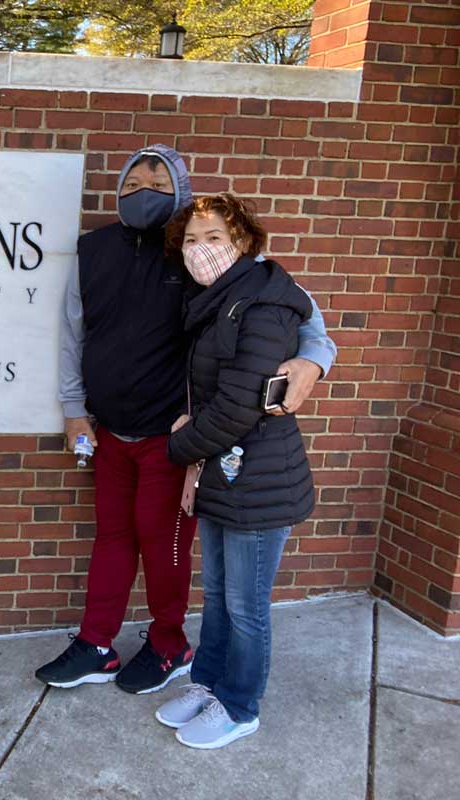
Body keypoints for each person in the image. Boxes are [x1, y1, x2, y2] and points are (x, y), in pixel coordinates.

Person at [36, 145, 336, 695]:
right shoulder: (93, 250)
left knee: (165, 543)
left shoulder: (195, 257)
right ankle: (96, 643)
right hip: (109, 432)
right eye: (130, 184)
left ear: (180, 189)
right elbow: (71, 333)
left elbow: (294, 305)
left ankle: (169, 643)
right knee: (112, 538)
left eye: (156, 180)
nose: (141, 191)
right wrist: (75, 409)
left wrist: (316, 358)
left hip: (173, 437)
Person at [154, 193, 315, 748]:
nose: (201, 250)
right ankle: (209, 685)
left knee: (247, 606)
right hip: (224, 472)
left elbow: (241, 403)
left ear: (242, 241)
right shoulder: (215, 302)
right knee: (219, 595)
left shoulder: (263, 302)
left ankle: (241, 705)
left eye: (214, 237)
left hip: (260, 478)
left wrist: (176, 450)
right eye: (192, 241)